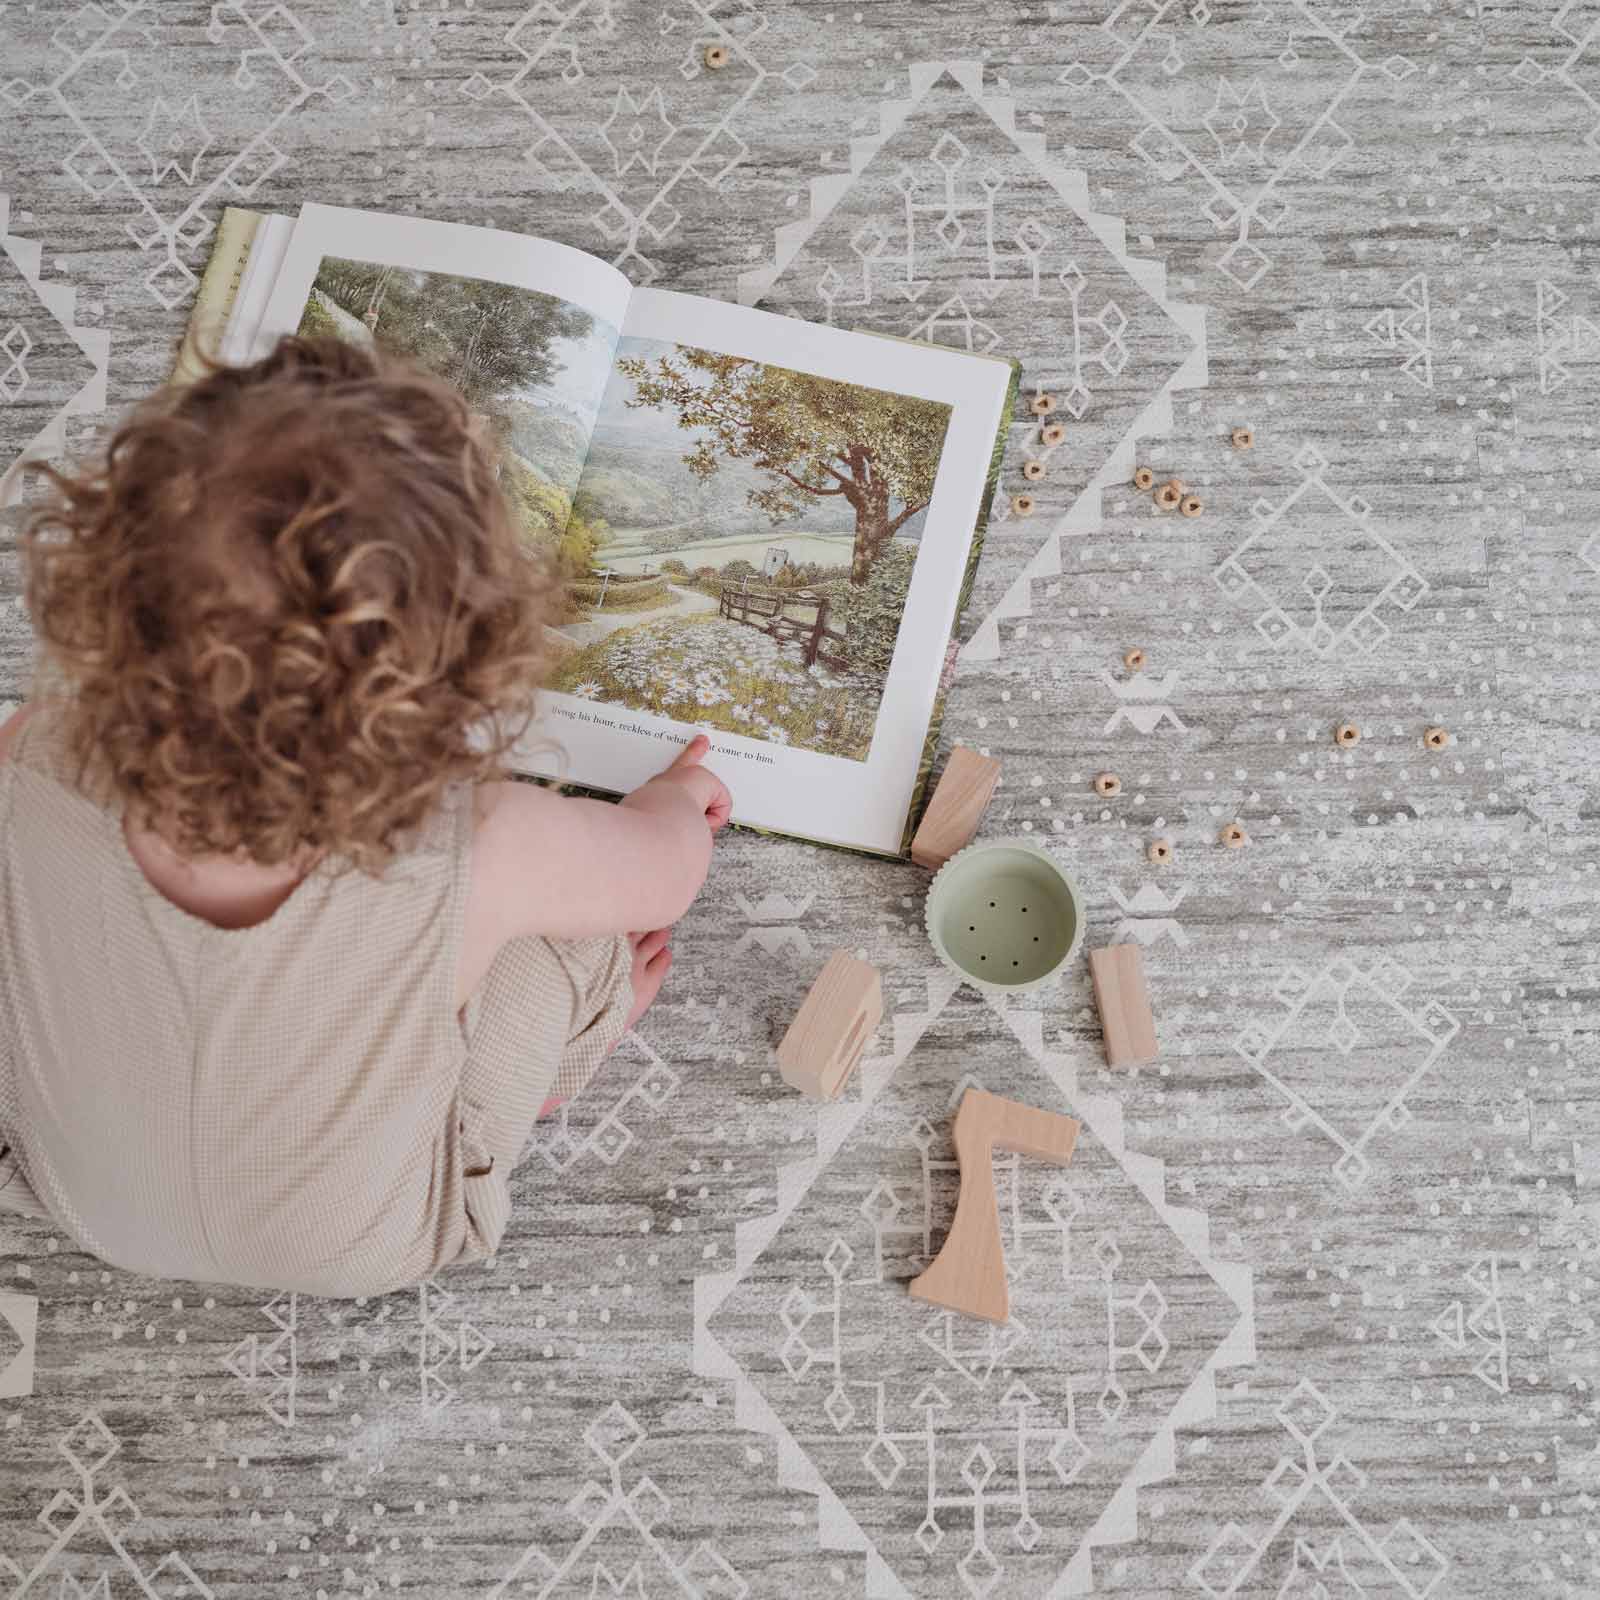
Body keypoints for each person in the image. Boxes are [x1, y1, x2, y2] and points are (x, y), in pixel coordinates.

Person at [0, 335, 730, 1297]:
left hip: (68, 1187)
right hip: (364, 1246)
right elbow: (670, 872)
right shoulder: (486, 841)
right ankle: (559, 1063)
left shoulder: (31, 744)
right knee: (574, 940)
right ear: (463, 674)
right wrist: (670, 801)